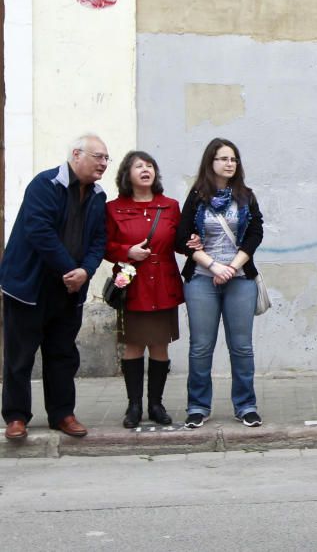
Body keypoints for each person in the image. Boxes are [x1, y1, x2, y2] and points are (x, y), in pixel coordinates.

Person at [1, 134, 109, 441]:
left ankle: (62, 414)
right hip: (29, 286)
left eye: (106, 158)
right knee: (20, 355)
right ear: (76, 155)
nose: (103, 163)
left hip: (69, 289)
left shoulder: (98, 196)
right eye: (98, 156)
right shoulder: (45, 184)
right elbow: (39, 231)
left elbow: (99, 241)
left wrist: (85, 272)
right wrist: (69, 269)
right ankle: (16, 417)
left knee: (62, 354)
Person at [175, 138, 265, 429]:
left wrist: (232, 267)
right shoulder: (197, 196)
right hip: (202, 278)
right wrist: (213, 265)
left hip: (240, 279)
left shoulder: (246, 196)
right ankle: (198, 406)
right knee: (201, 346)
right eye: (224, 159)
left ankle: (246, 405)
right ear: (210, 162)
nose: (230, 164)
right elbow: (181, 238)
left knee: (242, 347)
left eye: (234, 159)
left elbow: (255, 234)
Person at [105, 151, 184, 428]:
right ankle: (134, 406)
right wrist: (127, 251)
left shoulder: (170, 206)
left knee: (160, 345)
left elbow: (180, 241)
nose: (145, 169)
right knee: (134, 344)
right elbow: (103, 245)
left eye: (150, 165)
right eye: (138, 166)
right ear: (127, 174)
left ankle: (156, 404)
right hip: (132, 283)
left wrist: (195, 242)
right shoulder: (113, 208)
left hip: (163, 283)